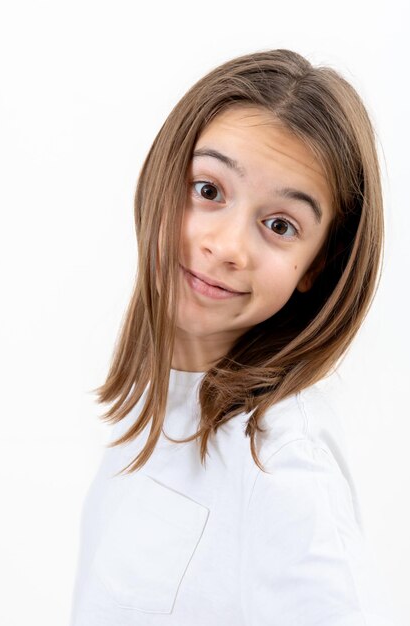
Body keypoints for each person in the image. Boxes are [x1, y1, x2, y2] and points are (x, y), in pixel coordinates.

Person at [69, 49, 398, 625]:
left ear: (316, 267)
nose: (227, 247)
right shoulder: (151, 410)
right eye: (209, 190)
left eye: (279, 226)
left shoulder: (283, 464)